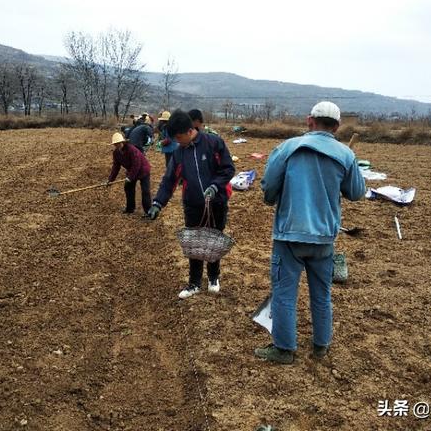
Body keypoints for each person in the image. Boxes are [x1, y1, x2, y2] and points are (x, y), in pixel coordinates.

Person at [254, 102, 366, 364]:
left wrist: (272, 199)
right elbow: (357, 192)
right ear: (337, 127)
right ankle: (320, 346)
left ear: (309, 121)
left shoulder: (287, 148)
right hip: (325, 237)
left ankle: (284, 350)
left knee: (284, 294)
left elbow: (269, 187)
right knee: (322, 294)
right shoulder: (345, 155)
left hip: (289, 236)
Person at [147, 111, 235, 298]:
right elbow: (169, 180)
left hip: (216, 202)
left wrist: (215, 186)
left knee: (213, 239)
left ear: (189, 131)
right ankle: (194, 283)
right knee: (194, 243)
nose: (178, 142)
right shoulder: (179, 153)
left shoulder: (213, 143)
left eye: (179, 138)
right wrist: (158, 203)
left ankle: (213, 277)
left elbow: (228, 169)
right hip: (193, 204)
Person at [107, 132, 152, 217]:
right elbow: (116, 167)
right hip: (132, 171)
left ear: (122, 142)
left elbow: (137, 164)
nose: (117, 145)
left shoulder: (131, 149)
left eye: (118, 143)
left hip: (143, 170)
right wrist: (110, 180)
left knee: (145, 191)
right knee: (128, 188)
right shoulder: (116, 153)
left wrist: (130, 177)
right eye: (115, 144)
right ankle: (130, 208)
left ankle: (148, 212)